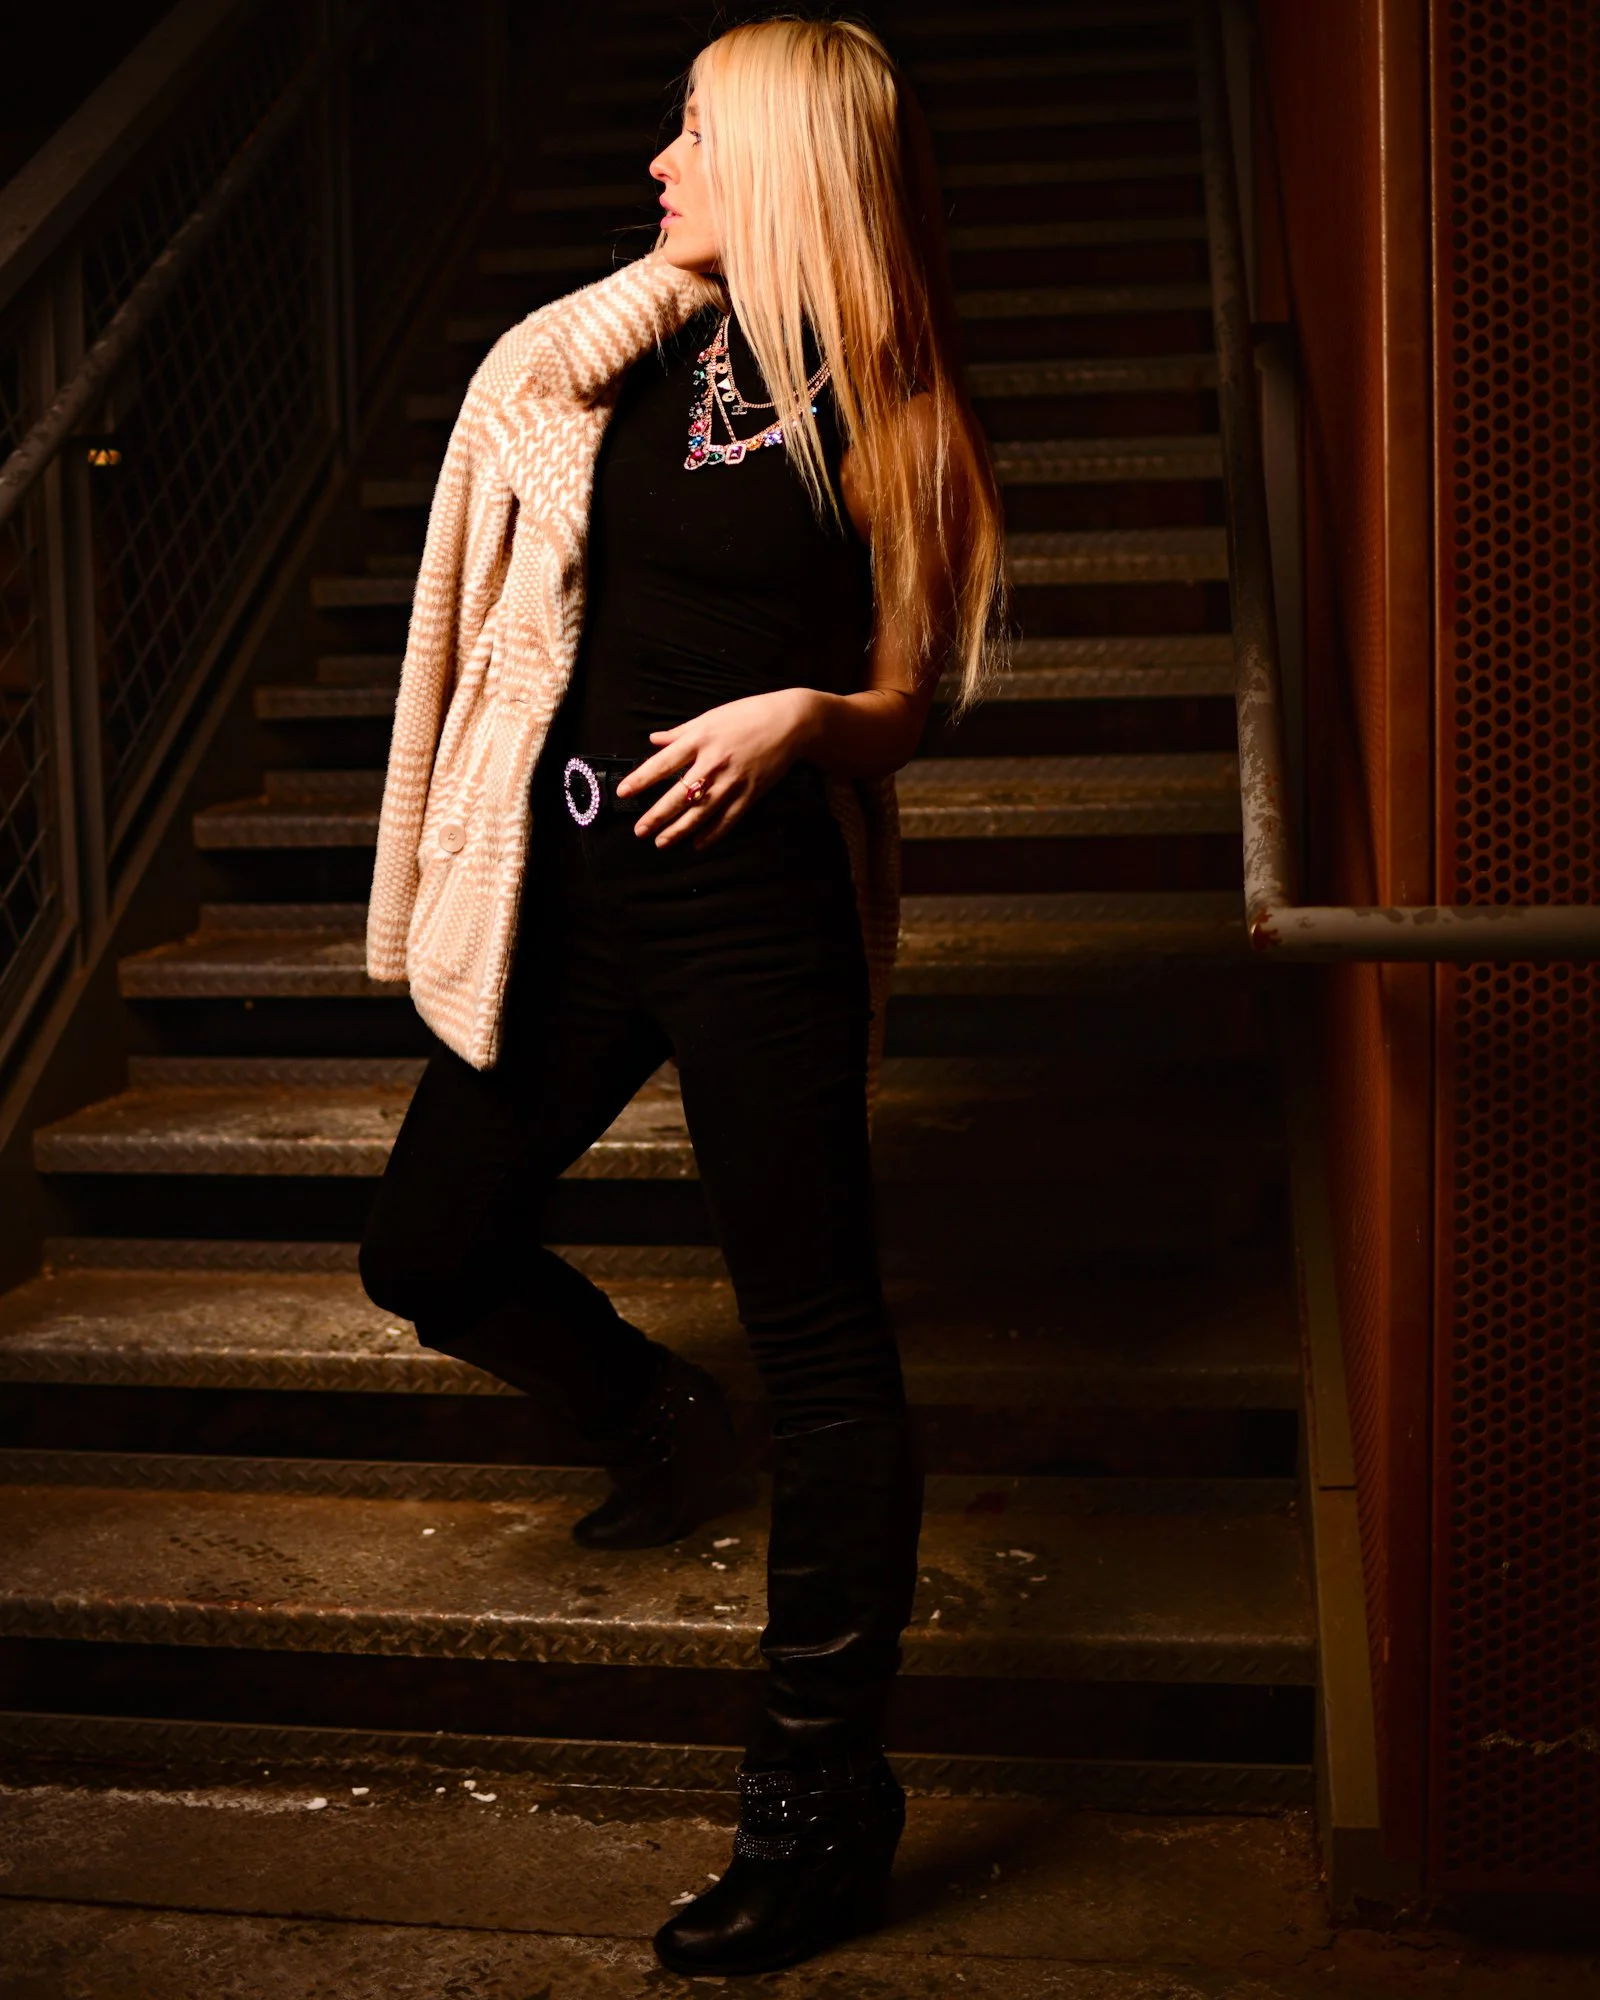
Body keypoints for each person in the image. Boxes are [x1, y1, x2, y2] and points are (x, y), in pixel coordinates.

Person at [359, 15, 1004, 1977]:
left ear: (788, 158)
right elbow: (512, 464)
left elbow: (909, 697)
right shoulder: (620, 353)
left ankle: (818, 1801)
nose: (658, 158)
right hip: (562, 897)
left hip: (748, 919)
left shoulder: (891, 407)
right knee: (424, 1246)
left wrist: (808, 717)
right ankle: (649, 1410)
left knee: (828, 1348)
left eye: (696, 130)